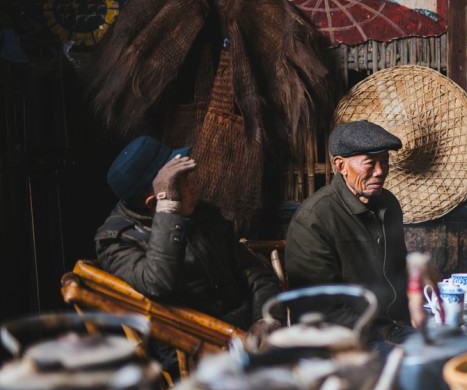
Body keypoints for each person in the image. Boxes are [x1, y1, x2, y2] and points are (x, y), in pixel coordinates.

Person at [95, 136, 280, 371]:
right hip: (191, 351)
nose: (194, 185)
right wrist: (169, 210)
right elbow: (159, 285)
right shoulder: (115, 240)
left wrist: (267, 319)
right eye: (181, 181)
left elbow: (254, 272)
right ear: (155, 203)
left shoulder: (203, 214)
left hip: (245, 331)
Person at [284, 120, 424, 346]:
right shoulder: (314, 218)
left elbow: (400, 272)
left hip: (394, 327)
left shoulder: (388, 204)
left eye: (385, 162)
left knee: (460, 352)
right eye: (370, 164)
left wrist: (416, 308)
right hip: (346, 339)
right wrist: (381, 344)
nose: (380, 172)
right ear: (340, 166)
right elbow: (318, 308)